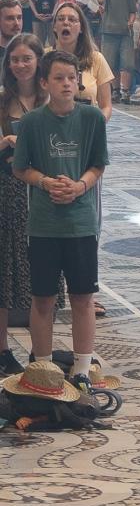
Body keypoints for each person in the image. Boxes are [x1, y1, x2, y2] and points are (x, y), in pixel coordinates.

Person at [17, 48, 106, 384]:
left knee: (82, 296)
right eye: (59, 78)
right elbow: (20, 167)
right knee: (43, 298)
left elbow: (98, 164)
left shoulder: (92, 118)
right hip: (43, 223)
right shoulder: (31, 122)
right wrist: (45, 182)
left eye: (72, 78)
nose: (67, 84)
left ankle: (82, 366)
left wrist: (80, 186)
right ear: (45, 82)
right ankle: (43, 367)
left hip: (81, 221)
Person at [0, 35, 41, 371]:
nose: (20, 65)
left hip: (40, 193)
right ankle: (1, 350)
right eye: (15, 59)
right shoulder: (2, 100)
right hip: (6, 190)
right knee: (4, 270)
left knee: (39, 272)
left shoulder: (49, 99)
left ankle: (40, 352)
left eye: (26, 58)